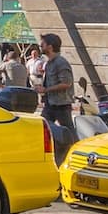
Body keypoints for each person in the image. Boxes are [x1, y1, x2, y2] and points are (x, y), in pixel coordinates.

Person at [37, 33, 76, 163]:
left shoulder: (61, 62)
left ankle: (75, 154)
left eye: (43, 44)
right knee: (42, 126)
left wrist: (46, 90)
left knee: (70, 133)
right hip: (50, 103)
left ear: (50, 46)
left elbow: (67, 83)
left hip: (61, 104)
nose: (40, 46)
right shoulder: (48, 64)